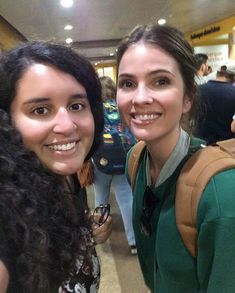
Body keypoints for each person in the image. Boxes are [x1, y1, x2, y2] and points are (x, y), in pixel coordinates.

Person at [116, 24, 235, 292]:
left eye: (161, 81)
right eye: (128, 83)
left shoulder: (221, 195)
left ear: (188, 98)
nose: (140, 97)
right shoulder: (136, 161)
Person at [0, 41, 112, 292]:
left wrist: (83, 231)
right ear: (7, 121)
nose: (67, 125)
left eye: (76, 106)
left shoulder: (66, 177)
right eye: (40, 110)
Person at [92, 76, 137, 254]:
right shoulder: (123, 108)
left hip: (100, 160)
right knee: (126, 199)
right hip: (123, 158)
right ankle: (134, 242)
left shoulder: (94, 111)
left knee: (101, 197)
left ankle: (98, 234)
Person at [196, 69, 235, 144]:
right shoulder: (233, 92)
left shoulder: (198, 90)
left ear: (217, 75)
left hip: (200, 139)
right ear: (233, 79)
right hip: (225, 144)